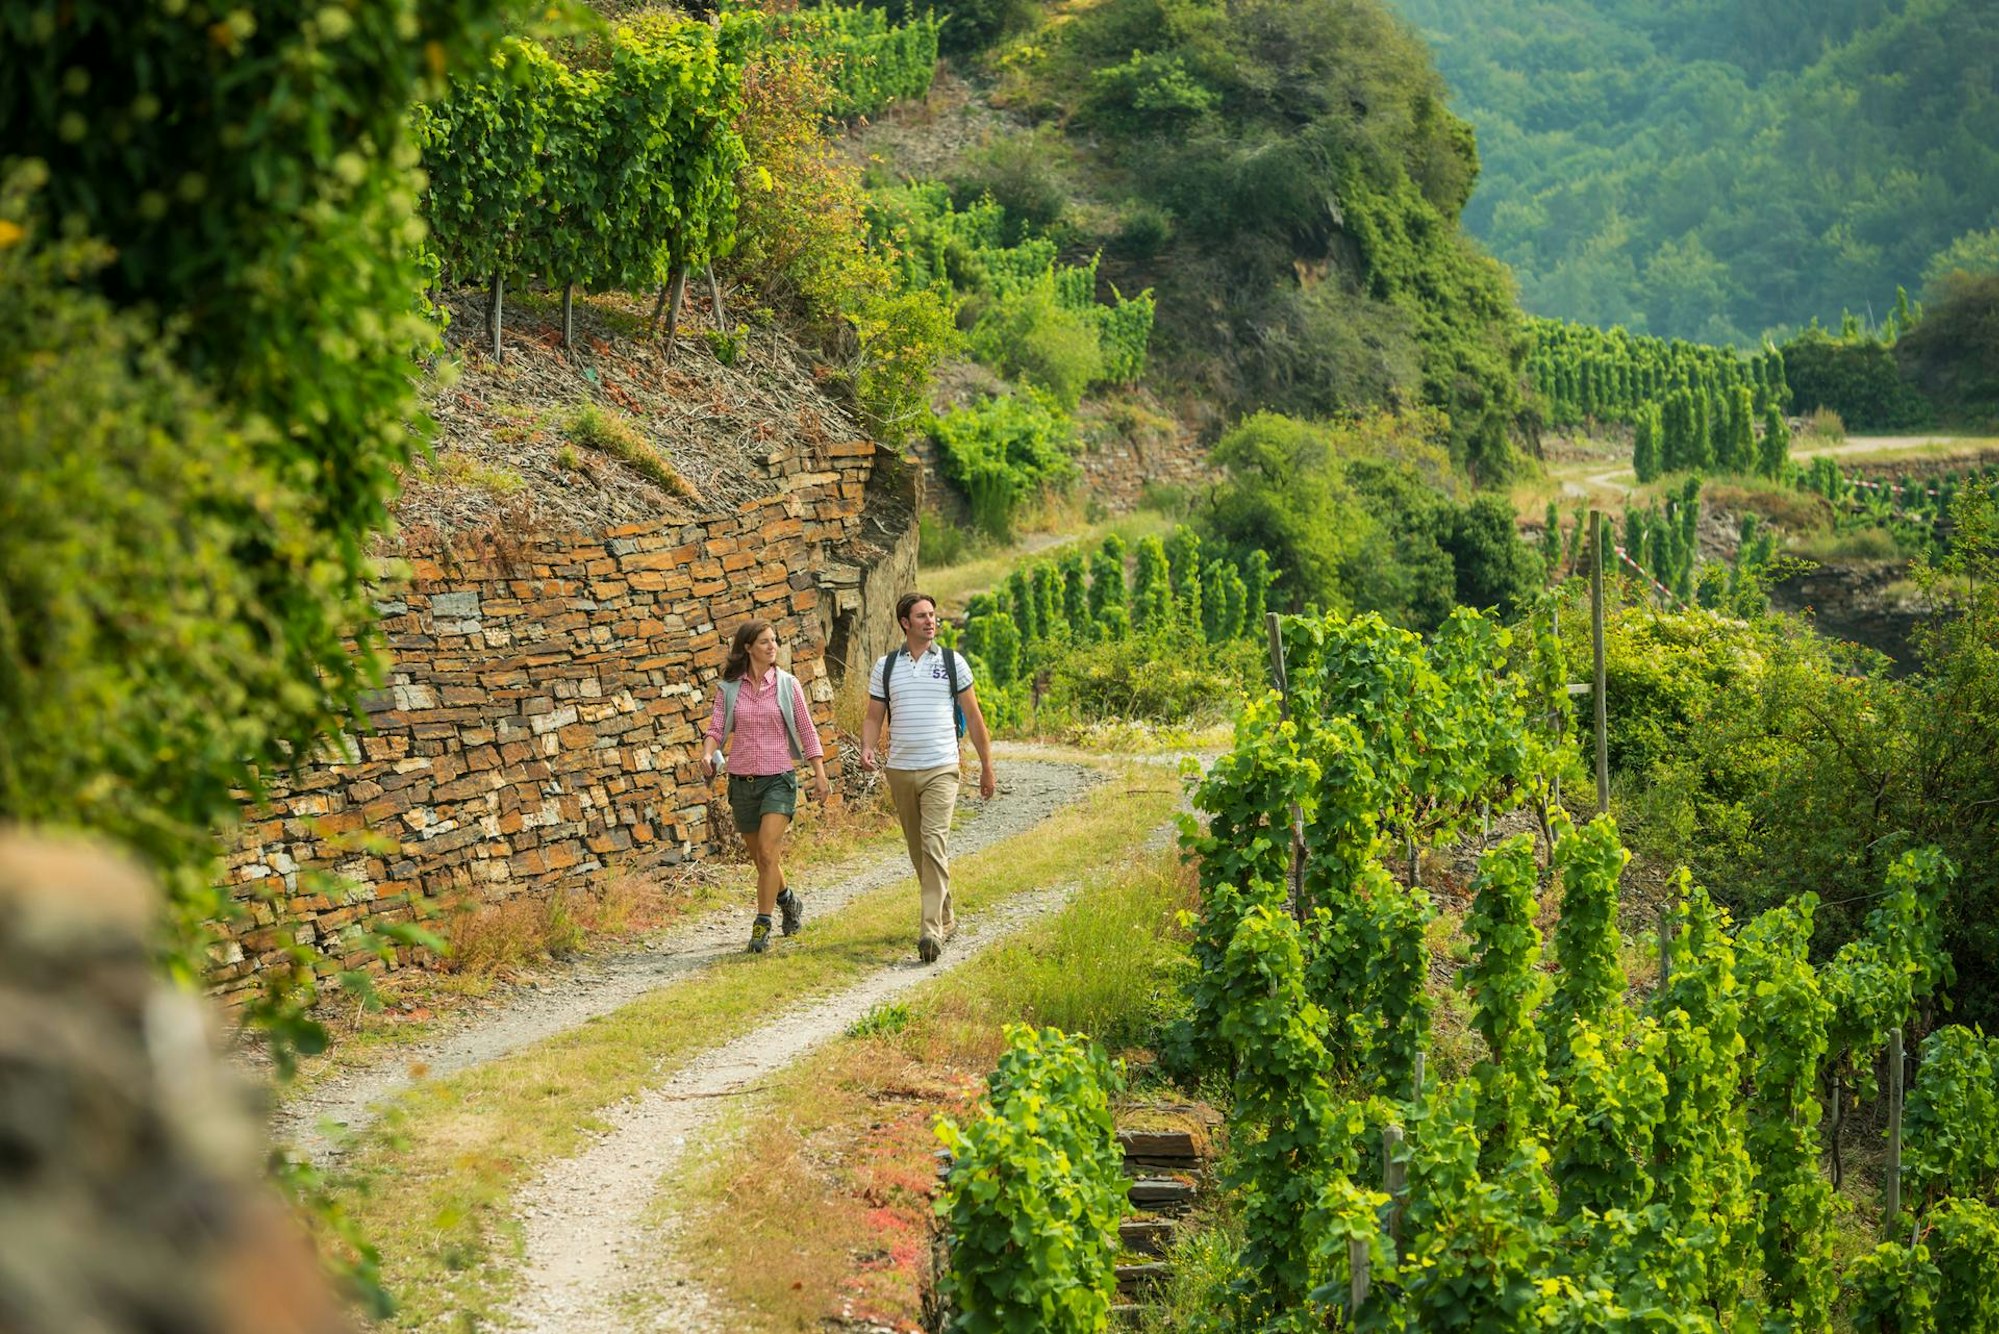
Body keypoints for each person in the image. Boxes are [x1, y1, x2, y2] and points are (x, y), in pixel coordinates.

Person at [859, 593, 996, 963]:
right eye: (921, 616)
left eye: (932, 615)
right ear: (905, 622)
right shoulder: (886, 666)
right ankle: (947, 915)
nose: (930, 621)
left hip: (941, 767)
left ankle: (931, 930)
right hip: (901, 769)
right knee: (919, 851)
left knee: (934, 843)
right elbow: (874, 716)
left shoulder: (954, 663)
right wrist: (868, 747)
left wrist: (986, 766)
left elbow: (975, 717)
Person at [704, 619, 830, 954]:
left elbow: (807, 730)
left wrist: (819, 773)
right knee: (763, 860)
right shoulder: (729, 688)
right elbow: (716, 729)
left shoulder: (788, 685)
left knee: (766, 851)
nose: (772, 647)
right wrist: (706, 754)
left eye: (774, 641)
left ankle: (762, 925)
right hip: (741, 783)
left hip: (779, 779)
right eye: (764, 642)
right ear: (747, 648)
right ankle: (789, 901)